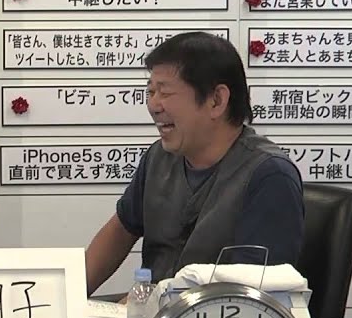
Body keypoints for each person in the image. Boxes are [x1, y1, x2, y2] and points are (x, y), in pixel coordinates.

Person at [84, 32, 304, 294]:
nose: (153, 105)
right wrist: (70, 296)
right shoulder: (159, 158)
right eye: (150, 91)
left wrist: (150, 305)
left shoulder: (269, 176)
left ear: (216, 100)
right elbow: (120, 232)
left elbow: (251, 294)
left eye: (165, 92)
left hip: (215, 315)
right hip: (151, 309)